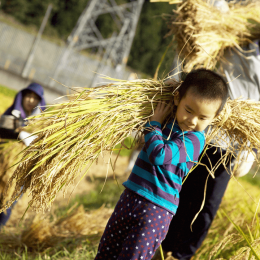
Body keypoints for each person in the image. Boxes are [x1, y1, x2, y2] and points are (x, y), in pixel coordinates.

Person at [94, 68, 229, 260]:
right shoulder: (167, 119)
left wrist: (154, 124)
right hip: (131, 195)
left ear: (214, 118)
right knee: (106, 251)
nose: (192, 120)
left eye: (202, 118)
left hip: (156, 210)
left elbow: (159, 155)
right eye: (188, 110)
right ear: (177, 99)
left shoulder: (194, 140)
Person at [152, 39, 260, 260]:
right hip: (200, 131)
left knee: (207, 204)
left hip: (231, 143)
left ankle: (181, 255)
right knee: (180, 190)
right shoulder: (241, 38)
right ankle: (163, 247)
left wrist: (253, 147)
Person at [0, 82, 46, 227]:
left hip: (21, 170)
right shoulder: (12, 113)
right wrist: (20, 132)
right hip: (3, 164)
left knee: (8, 203)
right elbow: (2, 126)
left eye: (34, 98)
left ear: (39, 101)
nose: (30, 100)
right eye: (28, 96)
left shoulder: (43, 122)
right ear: (22, 97)